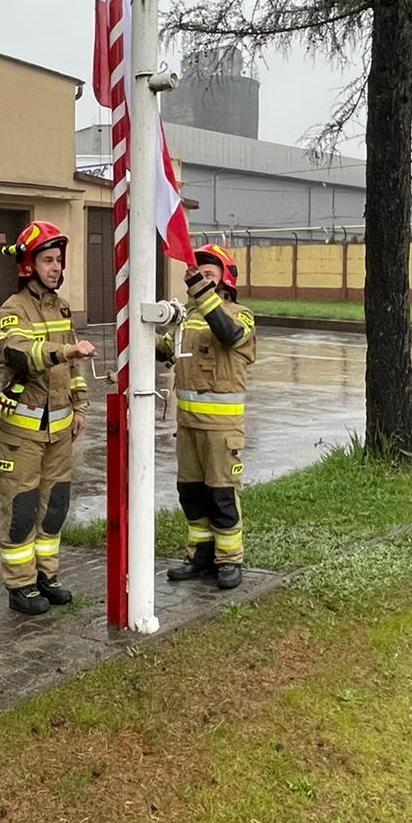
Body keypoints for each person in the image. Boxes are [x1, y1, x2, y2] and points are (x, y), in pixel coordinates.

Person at [0, 221, 96, 615]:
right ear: (29, 265)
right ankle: (20, 585)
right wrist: (65, 352)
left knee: (54, 506)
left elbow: (74, 369)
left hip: (60, 429)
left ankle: (46, 576)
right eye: (48, 260)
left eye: (58, 260)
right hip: (23, 431)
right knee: (21, 509)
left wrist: (80, 406)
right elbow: (19, 352)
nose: (56, 267)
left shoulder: (62, 307)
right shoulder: (12, 309)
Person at [157, 244, 255, 590]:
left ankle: (229, 559)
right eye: (198, 273)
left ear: (225, 279)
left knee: (221, 494)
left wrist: (199, 292)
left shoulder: (240, 315)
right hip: (187, 427)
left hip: (221, 429)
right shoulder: (188, 317)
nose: (200, 277)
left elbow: (229, 334)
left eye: (208, 273)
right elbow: (162, 351)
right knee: (191, 493)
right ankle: (200, 556)